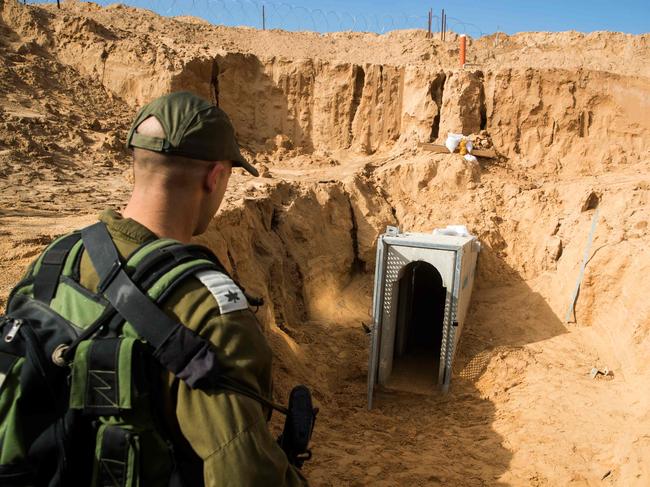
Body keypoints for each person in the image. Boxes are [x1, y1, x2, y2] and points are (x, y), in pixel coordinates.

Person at [79, 92, 308, 486]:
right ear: (215, 176)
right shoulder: (213, 315)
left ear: (135, 162)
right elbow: (244, 474)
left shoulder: (55, 260)